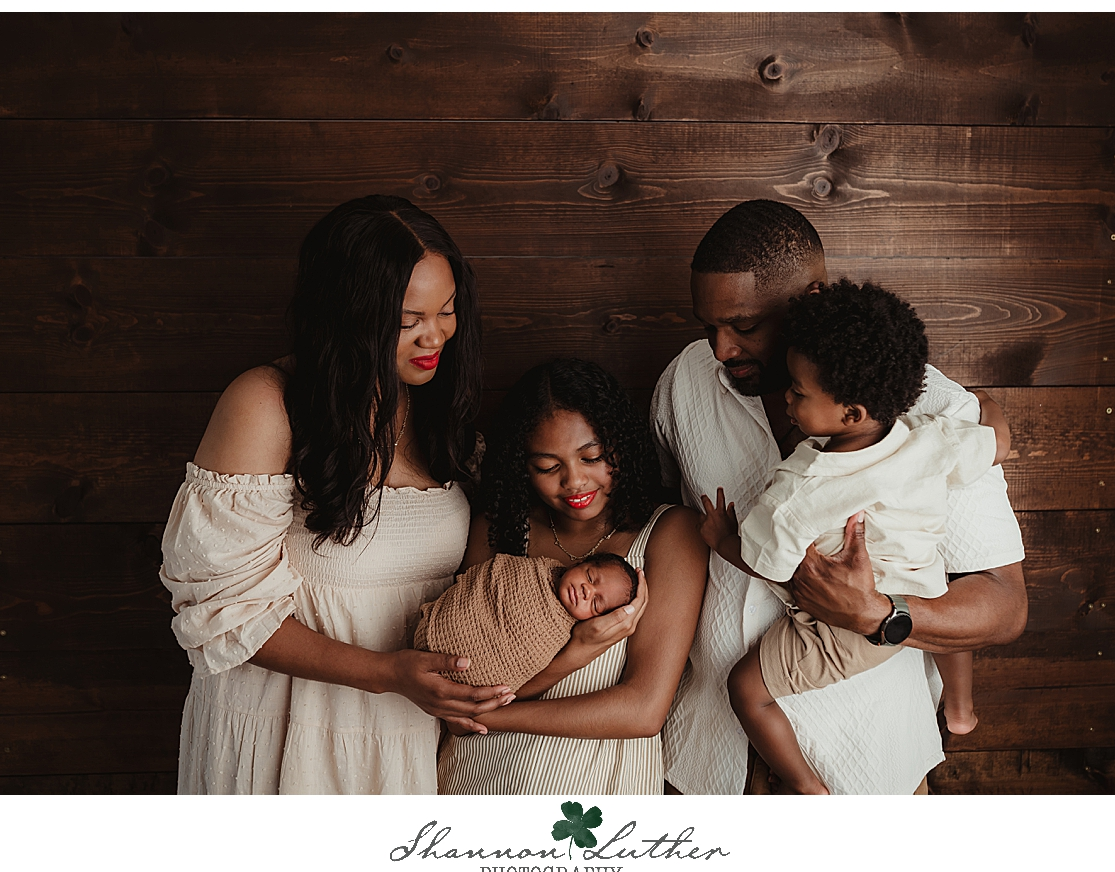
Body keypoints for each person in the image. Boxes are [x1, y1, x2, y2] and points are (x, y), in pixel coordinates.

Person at [653, 200, 1028, 795]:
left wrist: (881, 614)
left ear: (811, 298)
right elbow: (665, 531)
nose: (721, 350)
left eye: (744, 327)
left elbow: (1004, 605)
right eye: (708, 327)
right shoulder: (684, 381)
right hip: (709, 758)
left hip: (867, 761)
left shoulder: (931, 407)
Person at [160, 195, 513, 794]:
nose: (435, 336)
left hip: (406, 727)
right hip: (289, 725)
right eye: (408, 320)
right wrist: (386, 673)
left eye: (448, 310)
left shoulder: (435, 409)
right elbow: (222, 610)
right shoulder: (267, 404)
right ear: (348, 313)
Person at [436, 358, 708, 795]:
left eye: (593, 457)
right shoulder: (500, 528)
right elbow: (462, 682)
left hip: (595, 788)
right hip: (478, 776)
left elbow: (643, 710)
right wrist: (577, 652)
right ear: (521, 466)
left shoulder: (671, 534)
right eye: (547, 467)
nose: (575, 481)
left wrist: (485, 716)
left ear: (621, 444)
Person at [414, 551, 638, 690]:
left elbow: (527, 667)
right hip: (436, 630)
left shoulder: (561, 637)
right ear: (579, 562)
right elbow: (487, 577)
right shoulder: (528, 570)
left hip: (465, 684)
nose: (587, 591)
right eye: (589, 577)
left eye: (596, 604)